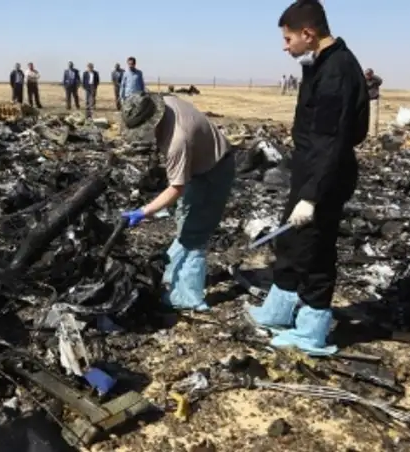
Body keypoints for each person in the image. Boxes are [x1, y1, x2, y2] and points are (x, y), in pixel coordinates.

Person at [246, 0, 368, 355]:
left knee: (315, 251)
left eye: (288, 39)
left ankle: (313, 329)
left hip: (325, 176)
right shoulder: (320, 64)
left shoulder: (337, 72)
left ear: (308, 34)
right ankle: (278, 310)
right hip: (309, 171)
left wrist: (312, 195)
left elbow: (332, 140)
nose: (285, 47)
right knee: (291, 243)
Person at [120, 92, 236, 311]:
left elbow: (177, 188)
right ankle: (173, 276)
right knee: (185, 218)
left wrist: (143, 212)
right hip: (199, 164)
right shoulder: (165, 103)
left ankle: (189, 297)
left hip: (214, 170)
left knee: (195, 233)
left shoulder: (177, 141)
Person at [364, 68, 383, 135]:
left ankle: (373, 134)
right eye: (366, 74)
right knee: (366, 117)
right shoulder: (364, 81)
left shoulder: (375, 80)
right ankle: (367, 132)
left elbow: (380, 81)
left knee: (374, 118)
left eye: (369, 74)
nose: (367, 76)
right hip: (366, 100)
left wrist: (373, 76)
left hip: (373, 100)